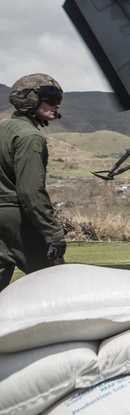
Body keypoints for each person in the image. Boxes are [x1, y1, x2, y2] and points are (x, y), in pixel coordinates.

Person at [0, 74, 68, 290]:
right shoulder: (31, 137)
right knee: (57, 283)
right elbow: (30, 191)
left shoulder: (3, 129)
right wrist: (53, 232)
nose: (56, 104)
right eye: (50, 98)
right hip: (16, 217)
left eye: (58, 99)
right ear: (30, 99)